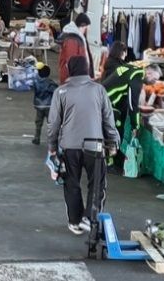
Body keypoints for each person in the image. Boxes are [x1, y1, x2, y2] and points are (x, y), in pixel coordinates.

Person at [48, 56, 120, 235]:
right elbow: (108, 119)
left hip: (69, 146)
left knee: (71, 182)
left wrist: (52, 146)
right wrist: (113, 140)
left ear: (70, 70)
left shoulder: (61, 92)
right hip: (94, 145)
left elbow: (53, 123)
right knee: (97, 183)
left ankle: (74, 221)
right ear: (87, 69)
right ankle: (90, 217)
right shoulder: (98, 90)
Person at [101, 63, 162, 167]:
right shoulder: (136, 76)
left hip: (106, 99)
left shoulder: (133, 69)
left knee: (118, 129)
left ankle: (114, 159)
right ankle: (108, 163)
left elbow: (124, 92)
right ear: (149, 73)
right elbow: (133, 104)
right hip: (107, 102)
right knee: (113, 132)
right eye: (155, 79)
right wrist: (135, 126)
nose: (154, 83)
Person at [57, 13, 94, 84]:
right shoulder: (72, 40)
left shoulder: (77, 38)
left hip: (76, 78)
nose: (86, 31)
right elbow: (71, 63)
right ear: (82, 26)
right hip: (73, 80)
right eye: (86, 28)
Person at [30, 65, 58, 145]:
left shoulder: (36, 82)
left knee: (38, 122)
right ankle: (52, 139)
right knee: (50, 123)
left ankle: (37, 137)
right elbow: (55, 91)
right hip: (49, 105)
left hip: (39, 105)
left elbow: (33, 88)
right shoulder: (49, 82)